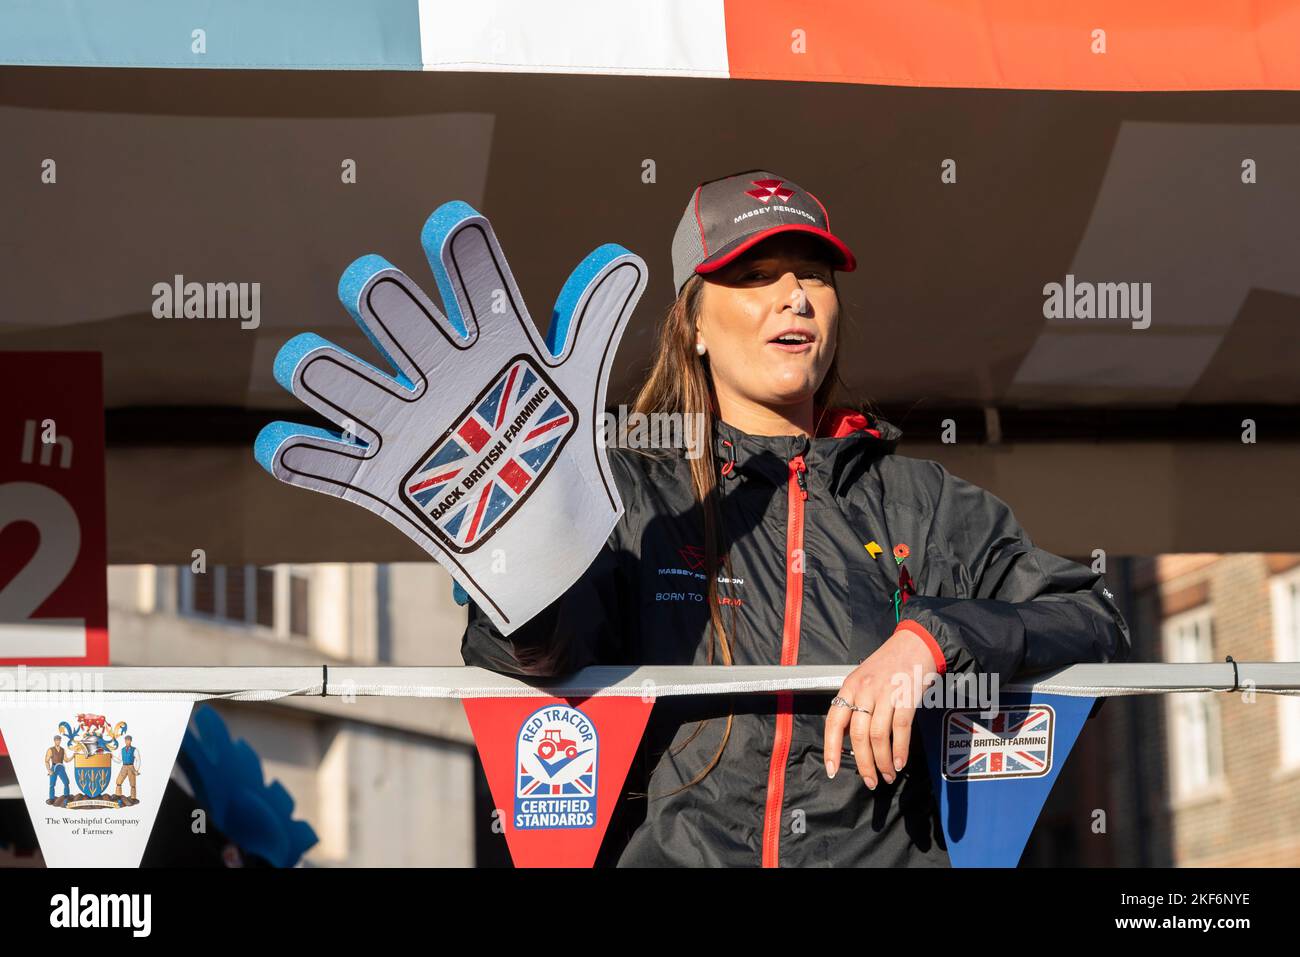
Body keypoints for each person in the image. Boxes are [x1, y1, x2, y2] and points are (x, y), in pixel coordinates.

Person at [461, 168, 1131, 867]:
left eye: (814, 275)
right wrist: (515, 560)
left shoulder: (920, 500)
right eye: (753, 276)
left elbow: (1094, 620)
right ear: (693, 323)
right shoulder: (629, 494)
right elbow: (536, 658)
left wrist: (936, 638)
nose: (794, 298)